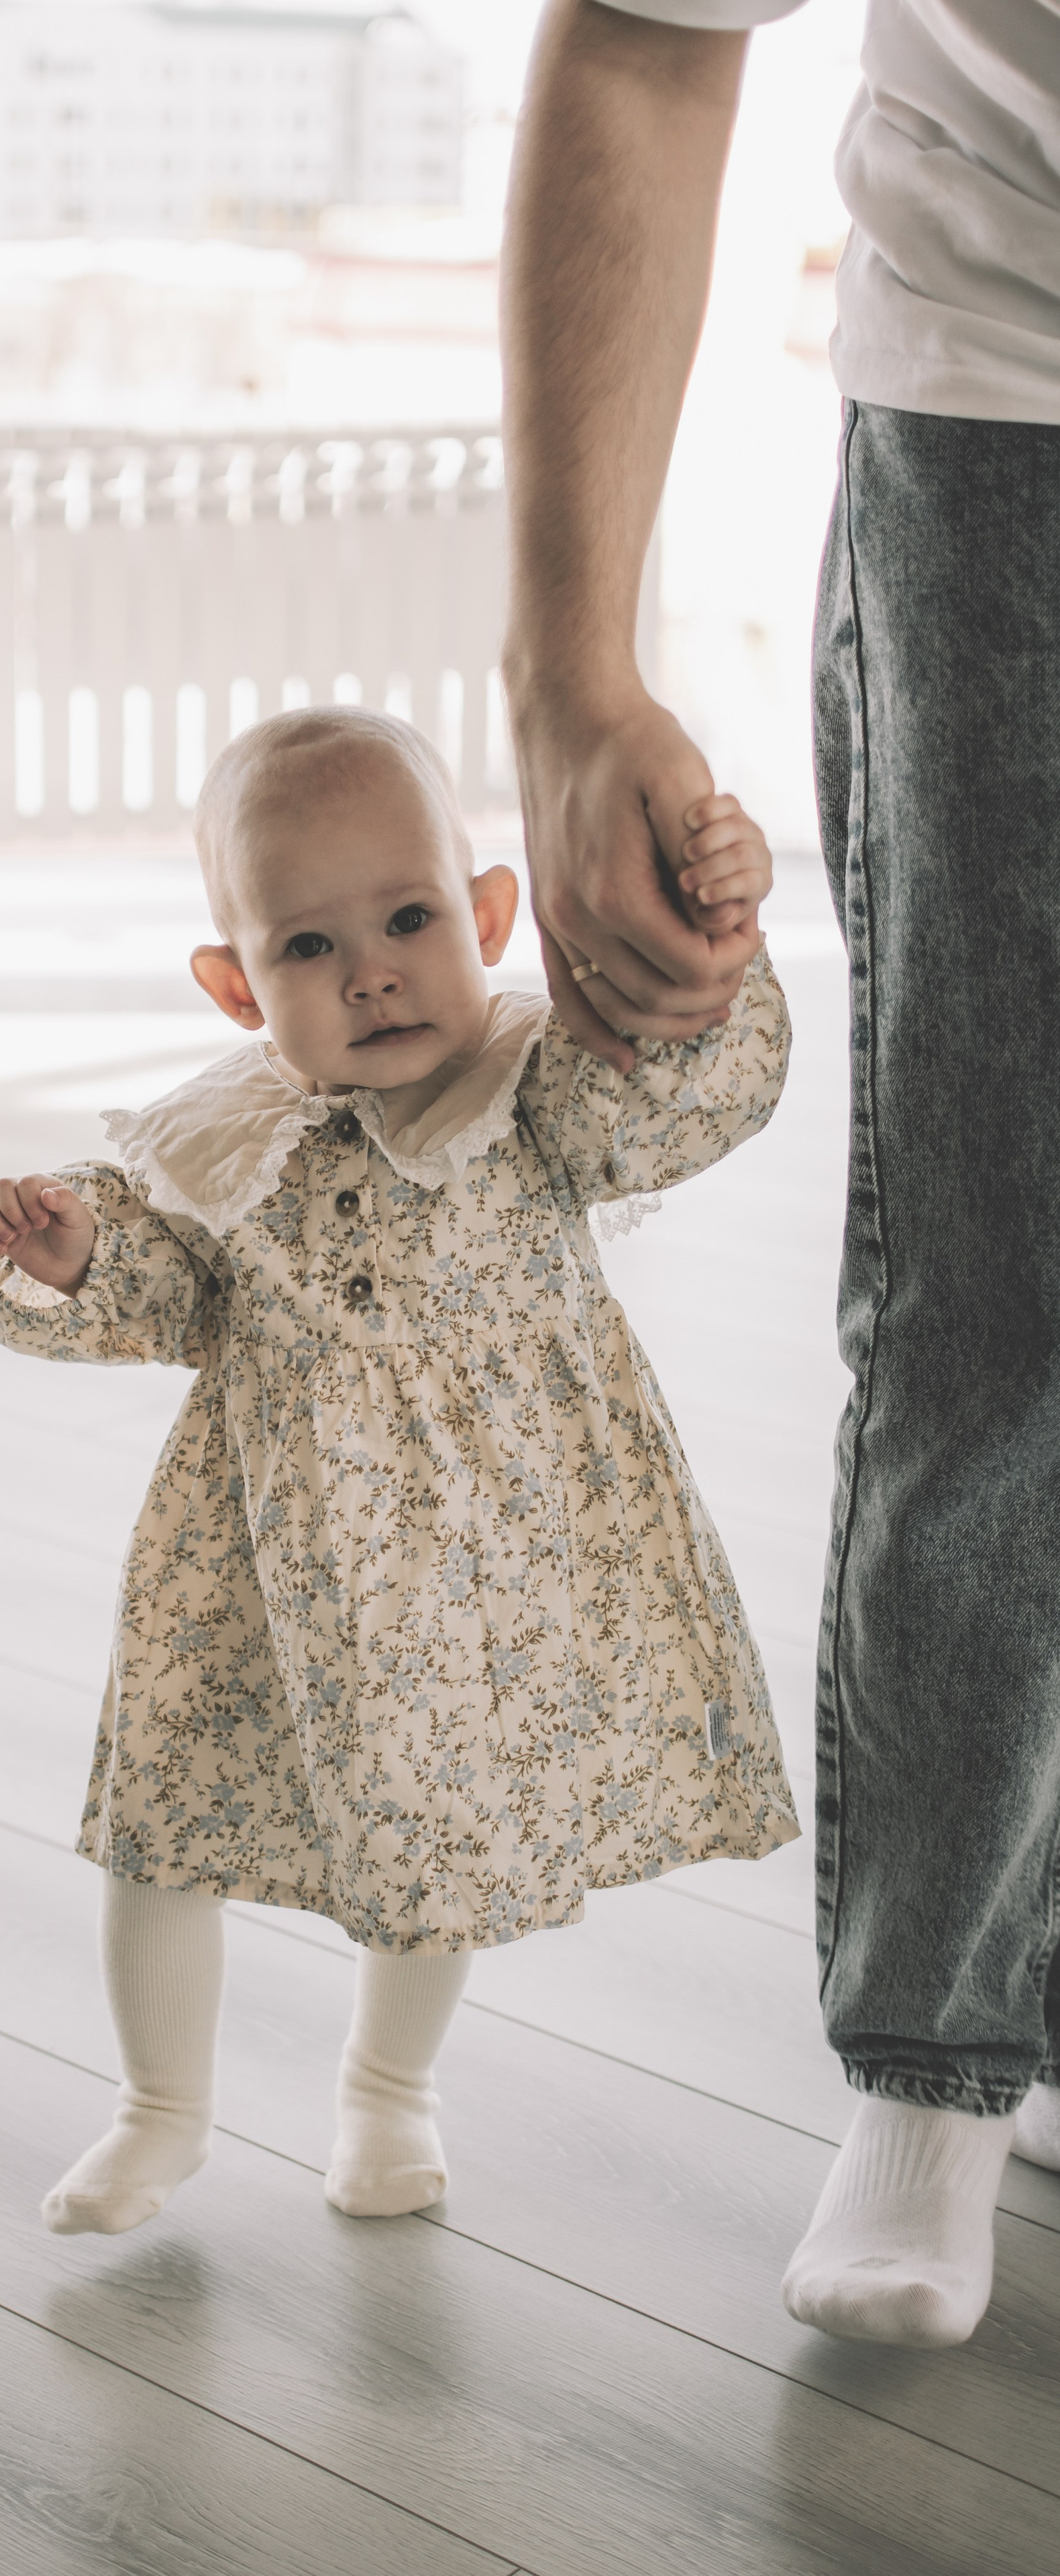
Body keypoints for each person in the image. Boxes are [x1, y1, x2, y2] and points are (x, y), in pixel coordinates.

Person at [500, 0, 1060, 2349]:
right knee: (1004, 1275)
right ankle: (940, 2052)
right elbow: (645, 34)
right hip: (1018, 418)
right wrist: (567, 672)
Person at [0, 705, 794, 2236]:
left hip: (475, 1552)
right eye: (306, 948)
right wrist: (82, 1257)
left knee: (435, 1825)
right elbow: (186, 1299)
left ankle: (386, 2092)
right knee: (164, 1820)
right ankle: (159, 2108)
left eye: (409, 919)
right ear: (233, 986)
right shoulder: (234, 1139)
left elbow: (683, 1100)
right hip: (259, 1560)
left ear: (485, 916)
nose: (372, 971)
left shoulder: (538, 1095)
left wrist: (714, 931)